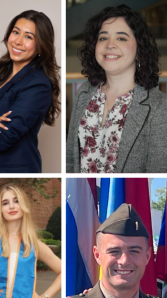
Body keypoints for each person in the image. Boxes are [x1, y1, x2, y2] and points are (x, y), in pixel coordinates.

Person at [66, 5, 167, 173]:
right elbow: (70, 161)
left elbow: (159, 172)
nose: (110, 45)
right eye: (103, 38)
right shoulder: (84, 93)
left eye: (121, 38)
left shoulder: (159, 106)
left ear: (139, 49)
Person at [0, 10, 60, 173]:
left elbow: (1, 139)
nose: (18, 41)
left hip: (14, 172)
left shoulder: (37, 84)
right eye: (16, 32)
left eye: (28, 36)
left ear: (41, 45)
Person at [66, 203, 167, 298]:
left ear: (147, 256)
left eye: (134, 251)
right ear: (97, 255)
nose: (124, 261)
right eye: (114, 251)